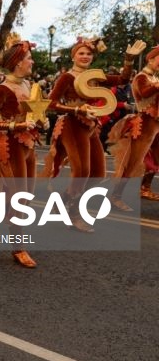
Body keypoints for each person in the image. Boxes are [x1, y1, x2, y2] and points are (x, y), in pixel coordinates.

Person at [43, 37, 145, 231]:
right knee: (82, 172)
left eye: (89, 54)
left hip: (90, 126)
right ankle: (73, 213)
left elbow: (123, 80)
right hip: (72, 125)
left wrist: (129, 60)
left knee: (98, 173)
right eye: (81, 53)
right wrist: (76, 111)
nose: (85, 56)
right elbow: (51, 103)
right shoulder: (67, 77)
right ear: (73, 56)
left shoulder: (94, 76)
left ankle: (62, 202)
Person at [0, 37, 46, 268]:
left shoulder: (27, 85)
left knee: (24, 194)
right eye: (29, 59)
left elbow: (31, 114)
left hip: (27, 145)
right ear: (18, 64)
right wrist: (14, 126)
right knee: (19, 197)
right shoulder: (3, 89)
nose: (32, 62)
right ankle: (18, 247)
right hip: (8, 147)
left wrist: (39, 122)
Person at [108, 44, 159, 208]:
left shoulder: (155, 78)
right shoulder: (141, 77)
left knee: (156, 159)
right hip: (144, 125)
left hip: (155, 125)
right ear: (151, 59)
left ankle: (145, 188)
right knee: (133, 162)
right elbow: (143, 93)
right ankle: (115, 196)